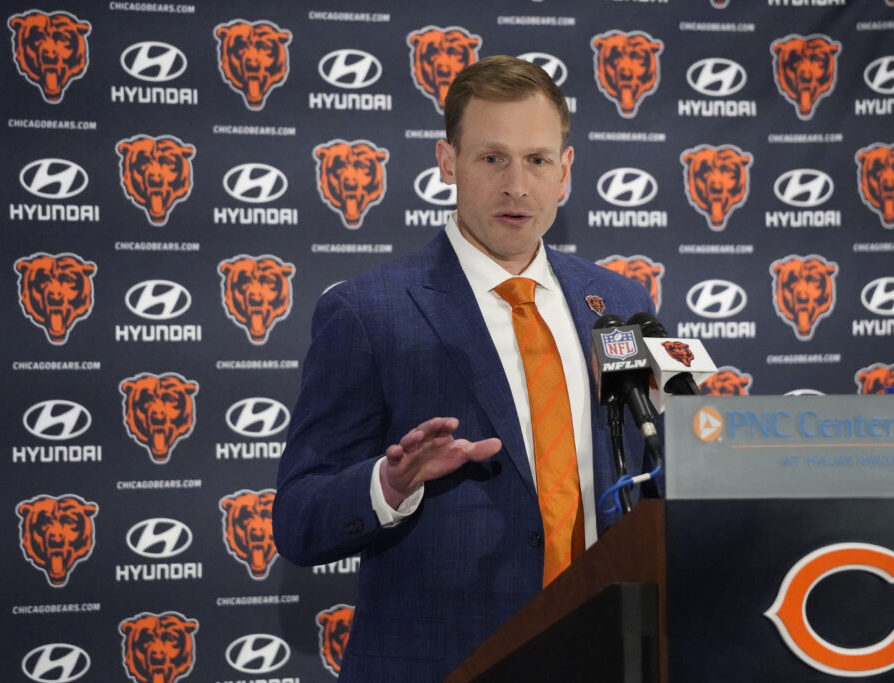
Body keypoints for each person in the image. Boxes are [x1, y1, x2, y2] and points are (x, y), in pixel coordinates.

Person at [273, 55, 655, 681]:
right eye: (491, 158)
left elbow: (655, 473)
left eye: (537, 160)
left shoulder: (618, 302)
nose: (517, 185)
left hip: (608, 653)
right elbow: (298, 520)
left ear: (565, 169)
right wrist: (389, 485)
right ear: (447, 162)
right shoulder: (368, 313)